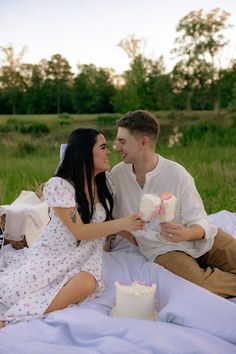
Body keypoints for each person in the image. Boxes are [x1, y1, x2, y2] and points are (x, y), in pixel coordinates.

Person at [0, 128, 144, 327]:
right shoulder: (60, 186)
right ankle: (13, 319)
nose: (109, 151)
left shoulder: (106, 183)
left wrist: (133, 236)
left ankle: (20, 315)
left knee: (87, 283)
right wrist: (124, 222)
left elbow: (103, 221)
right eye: (103, 147)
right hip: (54, 254)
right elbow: (80, 231)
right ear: (85, 153)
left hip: (85, 257)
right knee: (13, 292)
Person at [111, 110, 236, 298]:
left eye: (122, 142)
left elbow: (199, 219)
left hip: (200, 236)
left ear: (143, 142)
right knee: (201, 285)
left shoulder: (177, 174)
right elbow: (108, 215)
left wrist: (186, 233)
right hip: (161, 248)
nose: (116, 147)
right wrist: (132, 235)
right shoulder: (117, 176)